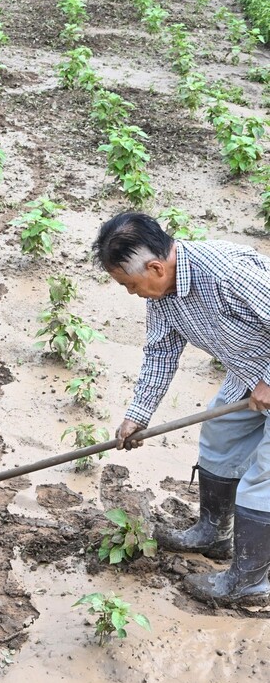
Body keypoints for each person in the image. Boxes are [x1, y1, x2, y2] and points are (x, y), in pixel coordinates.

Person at [92, 211, 270, 607]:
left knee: (264, 481)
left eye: (129, 284)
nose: (130, 293)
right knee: (221, 437)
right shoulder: (164, 294)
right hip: (249, 371)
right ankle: (214, 533)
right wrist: (137, 414)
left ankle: (250, 585)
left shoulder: (226, 275)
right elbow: (160, 353)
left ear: (155, 266)